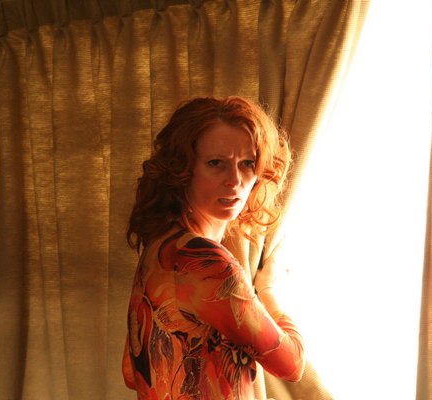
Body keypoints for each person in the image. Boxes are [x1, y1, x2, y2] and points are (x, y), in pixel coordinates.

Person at [122, 96, 305, 399]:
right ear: (183, 169)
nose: (235, 181)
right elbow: (292, 363)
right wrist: (268, 289)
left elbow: (132, 371)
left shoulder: (159, 248)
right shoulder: (208, 263)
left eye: (247, 164)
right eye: (216, 163)